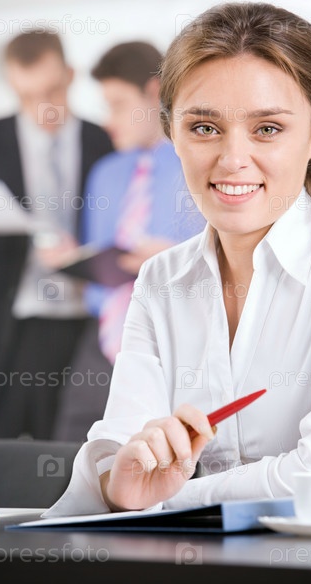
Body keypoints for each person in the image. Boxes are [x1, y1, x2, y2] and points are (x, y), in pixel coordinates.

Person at [44, 2, 311, 519]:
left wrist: (164, 499)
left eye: (267, 128)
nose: (232, 160)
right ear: (172, 133)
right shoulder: (160, 280)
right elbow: (119, 451)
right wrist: (121, 485)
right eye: (204, 127)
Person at [52, 41, 205, 442]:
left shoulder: (200, 165)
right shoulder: (105, 173)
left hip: (175, 334)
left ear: (153, 93)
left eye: (118, 105)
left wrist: (170, 259)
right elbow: (97, 259)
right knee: (74, 445)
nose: (109, 121)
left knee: (165, 445)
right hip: (104, 335)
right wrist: (73, 259)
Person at [0, 29, 113, 439]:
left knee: (74, 441)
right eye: (26, 96)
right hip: (12, 319)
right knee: (2, 443)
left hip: (87, 320)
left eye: (51, 91)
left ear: (70, 75)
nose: (42, 108)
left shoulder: (104, 141)